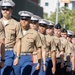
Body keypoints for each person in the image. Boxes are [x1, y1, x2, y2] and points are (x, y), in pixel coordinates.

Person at [13, 11, 42, 75]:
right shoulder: (15, 30)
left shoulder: (34, 33)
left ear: (29, 21)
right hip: (15, 56)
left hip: (27, 57)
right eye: (22, 19)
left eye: (26, 19)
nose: (23, 21)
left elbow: (39, 48)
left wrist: (39, 62)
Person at [0, 0, 20, 75]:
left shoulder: (16, 24)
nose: (5, 11)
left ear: (11, 10)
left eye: (7, 9)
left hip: (9, 52)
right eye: (3, 9)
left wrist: (17, 56)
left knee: (4, 72)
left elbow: (18, 41)